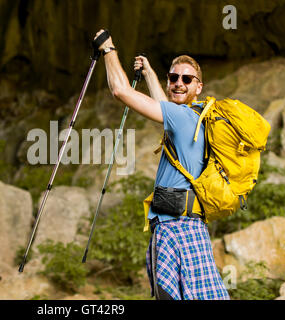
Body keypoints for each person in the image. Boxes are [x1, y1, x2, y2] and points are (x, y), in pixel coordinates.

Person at [93, 29, 230, 300]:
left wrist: (108, 50)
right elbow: (163, 107)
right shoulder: (194, 119)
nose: (179, 83)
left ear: (198, 87)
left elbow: (120, 90)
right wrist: (149, 74)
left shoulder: (182, 118)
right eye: (173, 77)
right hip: (192, 228)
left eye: (187, 79)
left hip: (173, 229)